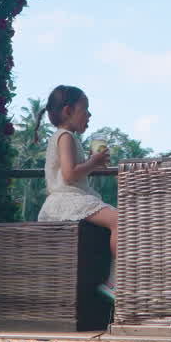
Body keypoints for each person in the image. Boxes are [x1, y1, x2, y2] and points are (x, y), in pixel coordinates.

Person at [34, 85, 118, 297]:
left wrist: (92, 162)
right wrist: (93, 161)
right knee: (120, 221)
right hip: (66, 199)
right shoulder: (66, 137)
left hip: (67, 198)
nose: (89, 114)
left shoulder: (65, 137)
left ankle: (114, 279)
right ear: (68, 111)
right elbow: (70, 174)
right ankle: (114, 281)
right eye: (86, 109)